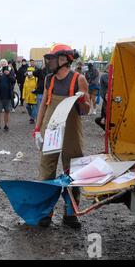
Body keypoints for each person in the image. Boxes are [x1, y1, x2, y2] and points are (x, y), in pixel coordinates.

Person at [33, 44, 91, 229]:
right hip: (52, 129)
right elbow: (43, 105)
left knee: (72, 169)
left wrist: (83, 101)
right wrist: (37, 129)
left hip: (71, 130)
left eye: (53, 58)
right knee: (46, 169)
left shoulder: (78, 79)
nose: (49, 62)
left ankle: (70, 213)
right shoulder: (49, 79)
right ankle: (45, 212)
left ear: (64, 59)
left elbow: (86, 110)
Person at [0, 59, 16, 132]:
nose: (3, 65)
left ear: (7, 64)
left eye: (4, 63)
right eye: (2, 63)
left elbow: (14, 81)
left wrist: (8, 74)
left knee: (7, 111)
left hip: (8, 95)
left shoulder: (10, 71)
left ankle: (6, 125)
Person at [95, 65, 109, 131]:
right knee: (105, 110)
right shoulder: (105, 75)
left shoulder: (105, 75)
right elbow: (110, 83)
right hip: (106, 96)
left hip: (106, 96)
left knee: (105, 110)